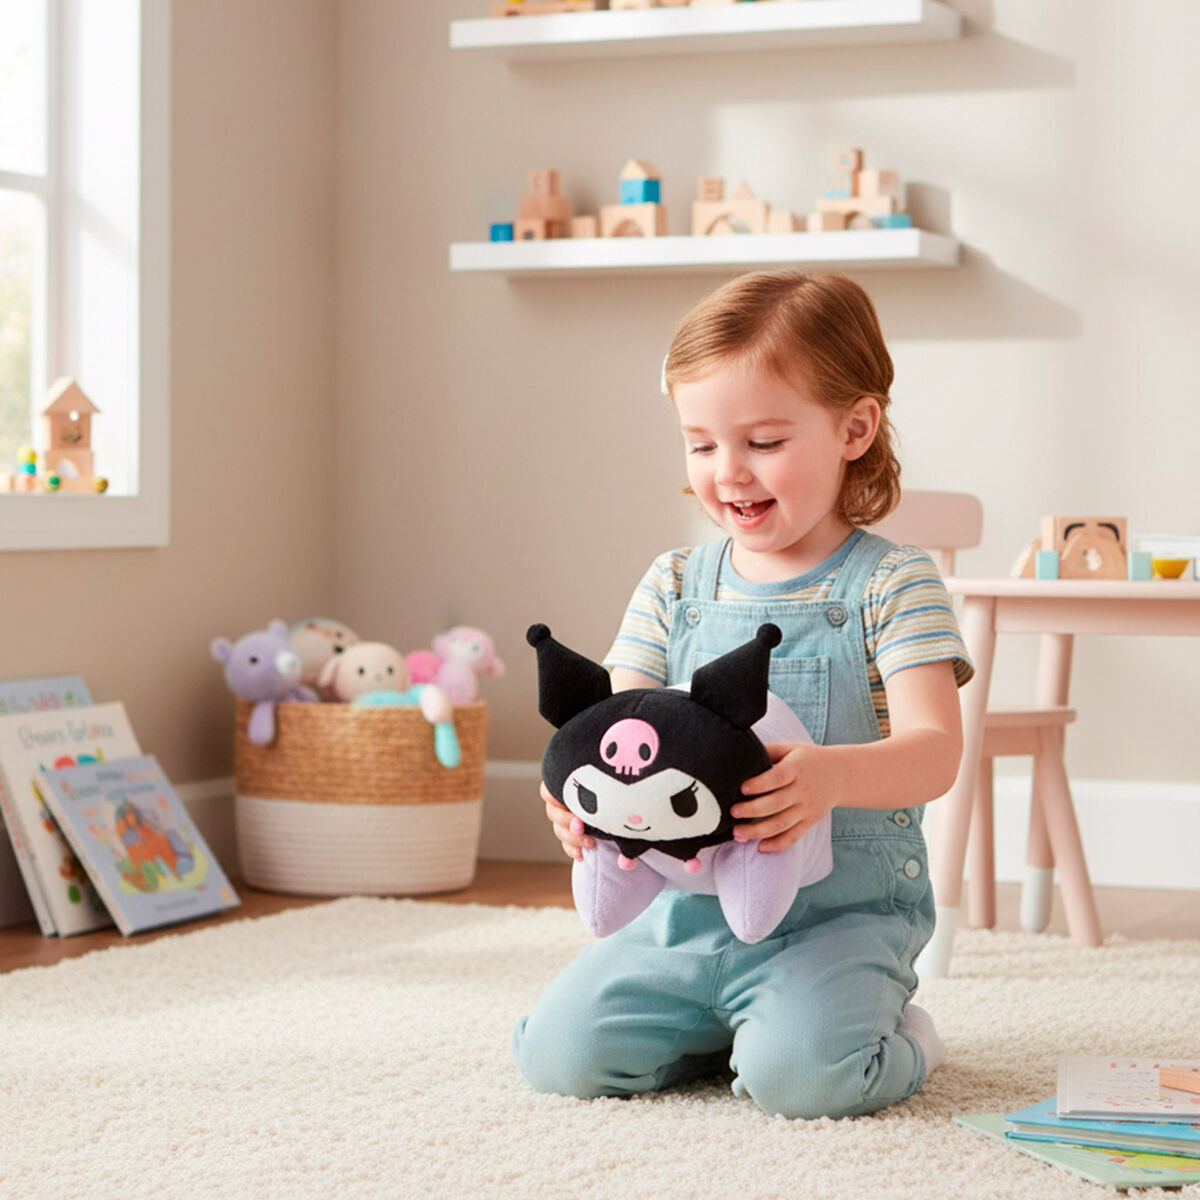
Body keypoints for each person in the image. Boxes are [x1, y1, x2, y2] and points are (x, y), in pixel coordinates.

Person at [512, 270, 973, 1119]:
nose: (728, 473)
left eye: (762, 441)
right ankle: (720, 1027)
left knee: (805, 1081)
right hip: (678, 922)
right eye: (700, 444)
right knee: (559, 1056)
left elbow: (936, 752)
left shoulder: (893, 583)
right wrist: (577, 800)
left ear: (855, 428)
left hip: (833, 924)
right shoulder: (673, 582)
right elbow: (614, 730)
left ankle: (901, 1036)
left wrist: (831, 776)